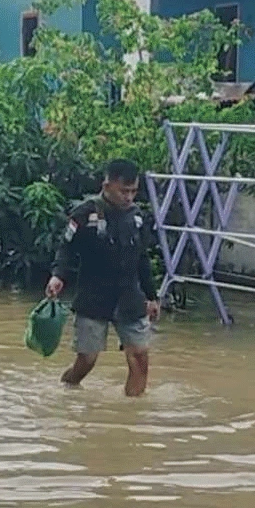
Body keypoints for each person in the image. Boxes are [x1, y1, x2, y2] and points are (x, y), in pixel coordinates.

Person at [47, 159, 160, 397]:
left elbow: (142, 259)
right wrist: (58, 276)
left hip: (130, 297)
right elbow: (66, 249)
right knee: (87, 361)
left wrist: (152, 296)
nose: (128, 197)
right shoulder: (84, 214)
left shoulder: (138, 218)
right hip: (93, 297)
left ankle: (132, 417)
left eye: (133, 191)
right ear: (107, 185)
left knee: (140, 358)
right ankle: (66, 391)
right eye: (123, 191)